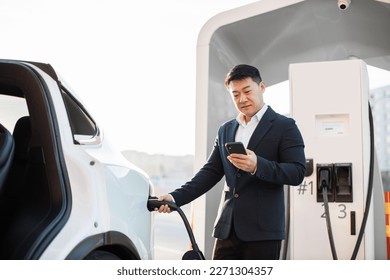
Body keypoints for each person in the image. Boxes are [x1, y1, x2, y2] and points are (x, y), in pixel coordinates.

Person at [156, 64, 306, 260]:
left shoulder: (285, 126)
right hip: (227, 229)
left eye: (247, 91)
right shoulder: (226, 129)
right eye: (235, 94)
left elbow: (297, 172)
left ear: (261, 88)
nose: (242, 99)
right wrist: (175, 198)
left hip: (263, 232)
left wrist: (257, 165)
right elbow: (210, 172)